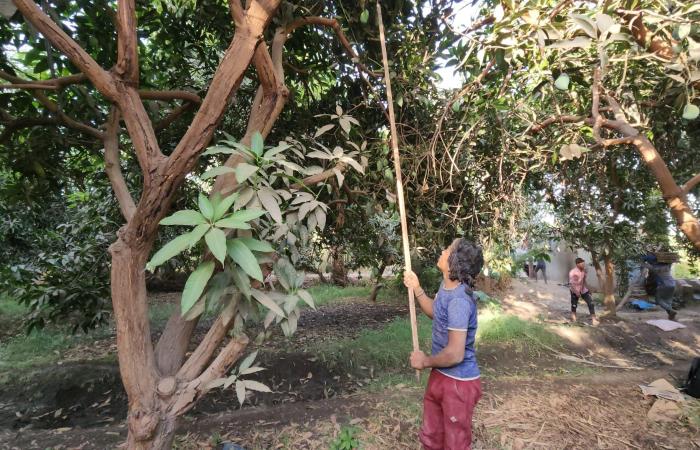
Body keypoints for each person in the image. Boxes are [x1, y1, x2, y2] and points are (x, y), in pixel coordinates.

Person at [403, 238, 483, 450]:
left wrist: (425, 361)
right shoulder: (447, 287)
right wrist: (417, 288)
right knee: (432, 436)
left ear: (454, 262)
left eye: (448, 249)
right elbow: (436, 313)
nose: (442, 250)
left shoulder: (459, 301)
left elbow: (455, 354)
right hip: (441, 374)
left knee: (455, 443)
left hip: (458, 383)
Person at [643, 252, 678, 320]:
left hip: (663, 285)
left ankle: (671, 311)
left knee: (658, 300)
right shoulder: (667, 265)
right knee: (668, 300)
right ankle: (671, 317)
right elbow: (669, 260)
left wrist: (644, 261)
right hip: (673, 284)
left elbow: (644, 264)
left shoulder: (653, 267)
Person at [568, 257, 599, 326]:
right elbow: (571, 284)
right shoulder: (573, 272)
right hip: (574, 289)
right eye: (582, 264)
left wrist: (588, 289)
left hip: (582, 289)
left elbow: (584, 281)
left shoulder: (583, 271)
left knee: (590, 303)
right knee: (574, 304)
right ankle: (573, 318)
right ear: (577, 264)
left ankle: (594, 320)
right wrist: (576, 292)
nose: (583, 265)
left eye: (583, 264)